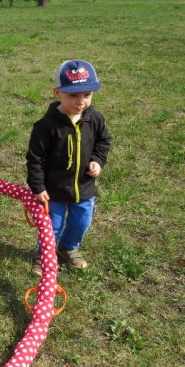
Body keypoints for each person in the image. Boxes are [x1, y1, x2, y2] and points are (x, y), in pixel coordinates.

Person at [26, 59, 111, 276]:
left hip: (84, 189)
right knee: (50, 228)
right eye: (73, 95)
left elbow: (103, 142)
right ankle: (45, 255)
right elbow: (35, 159)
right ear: (57, 93)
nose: (81, 101)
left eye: (87, 95)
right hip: (52, 191)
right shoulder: (46, 126)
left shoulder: (95, 119)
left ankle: (68, 248)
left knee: (80, 223)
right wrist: (38, 187)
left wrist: (97, 161)